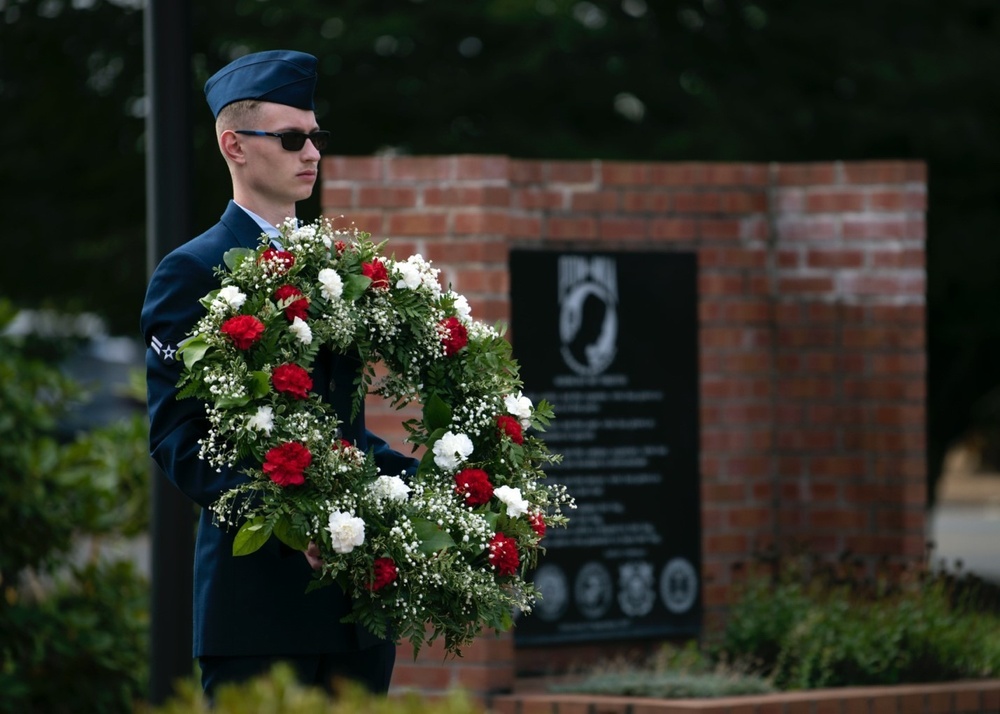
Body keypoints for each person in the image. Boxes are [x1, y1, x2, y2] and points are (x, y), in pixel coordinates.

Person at [140, 49, 416, 698]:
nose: (311, 153)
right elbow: (178, 437)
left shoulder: (339, 269)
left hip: (357, 614)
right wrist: (295, 521)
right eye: (292, 138)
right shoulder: (192, 270)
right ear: (234, 145)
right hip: (257, 609)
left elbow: (343, 432)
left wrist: (429, 485)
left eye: (315, 137)